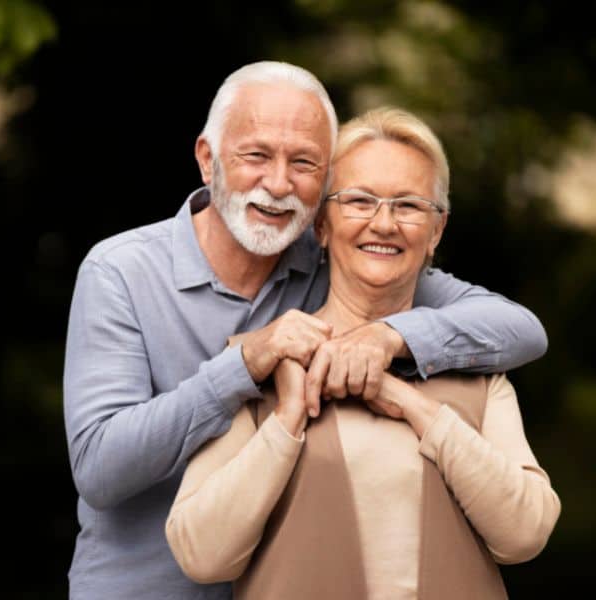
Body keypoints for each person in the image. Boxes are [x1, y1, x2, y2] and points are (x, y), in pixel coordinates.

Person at [63, 62, 548, 599]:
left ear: (322, 194)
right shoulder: (120, 272)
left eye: (304, 163)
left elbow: (520, 329)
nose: (277, 183)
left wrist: (389, 337)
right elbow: (100, 470)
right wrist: (242, 367)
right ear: (208, 159)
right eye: (256, 155)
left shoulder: (338, 256)